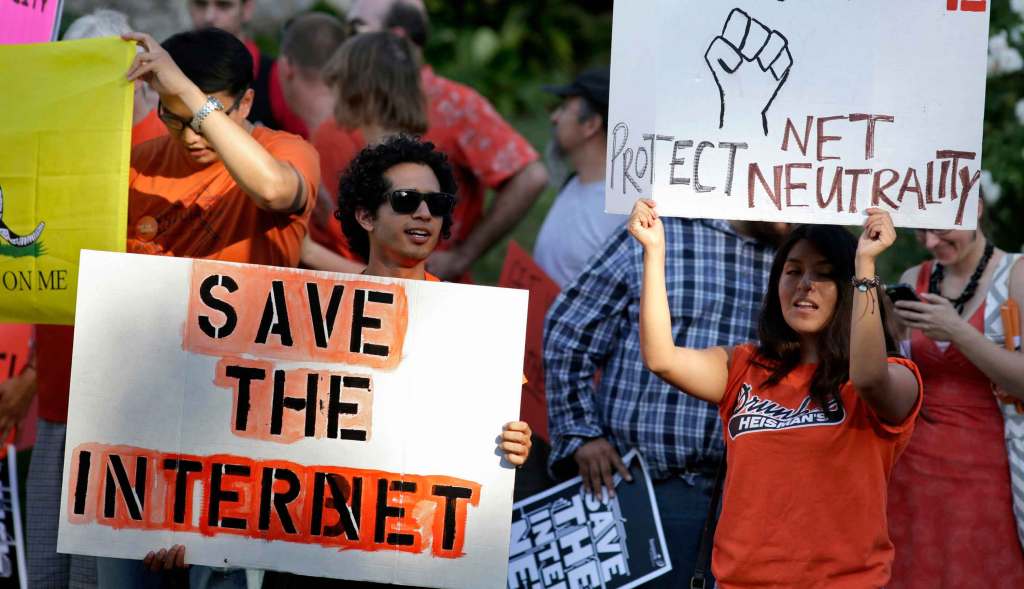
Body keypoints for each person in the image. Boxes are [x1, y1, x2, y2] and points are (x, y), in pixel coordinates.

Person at [143, 135, 533, 588]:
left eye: (437, 202)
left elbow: (485, 444)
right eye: (406, 201)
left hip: (417, 564)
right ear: (365, 216)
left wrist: (512, 447)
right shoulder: (299, 317)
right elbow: (242, 436)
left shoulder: (471, 323)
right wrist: (183, 527)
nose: (424, 213)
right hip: (312, 561)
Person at [101, 26, 319, 588]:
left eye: (201, 114)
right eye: (172, 116)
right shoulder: (137, 163)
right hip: (138, 431)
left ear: (247, 101)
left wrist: (191, 98)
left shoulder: (286, 151)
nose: (189, 134)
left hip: (238, 435)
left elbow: (274, 192)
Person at [630, 201, 922, 587]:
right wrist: (654, 252)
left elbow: (869, 377)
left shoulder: (895, 376)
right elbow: (662, 358)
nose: (804, 285)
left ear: (848, 288)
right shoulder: (744, 365)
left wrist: (865, 267)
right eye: (793, 271)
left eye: (825, 274)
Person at [544, 208, 787, 586]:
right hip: (638, 486)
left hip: (752, 505)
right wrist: (581, 433)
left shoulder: (807, 263)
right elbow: (570, 330)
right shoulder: (663, 232)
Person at [310, 0, 548, 281]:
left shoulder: (450, 107)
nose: (346, 39)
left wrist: (463, 255)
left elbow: (531, 175)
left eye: (357, 28)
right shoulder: (362, 132)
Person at [886, 207, 1024, 588]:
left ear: (975, 208)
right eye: (921, 231)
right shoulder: (915, 277)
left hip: (991, 467)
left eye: (942, 228)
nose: (931, 242)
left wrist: (958, 331)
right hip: (912, 469)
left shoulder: (1016, 273)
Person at [532, 67, 623, 287]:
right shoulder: (572, 184)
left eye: (564, 109)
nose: (554, 118)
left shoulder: (622, 209)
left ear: (590, 124)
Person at [187, 0, 308, 137]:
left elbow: (307, 146)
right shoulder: (173, 71)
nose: (209, 17)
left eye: (223, 5)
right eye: (200, 4)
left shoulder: (274, 76)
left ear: (247, 9)